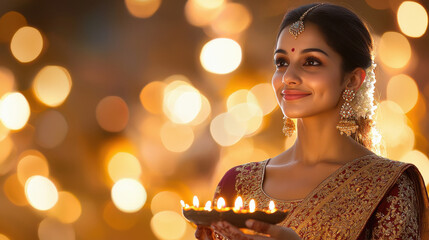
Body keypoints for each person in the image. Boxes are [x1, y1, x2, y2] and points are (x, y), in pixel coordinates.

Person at [195, 2, 429, 240]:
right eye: (281, 62)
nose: (288, 77)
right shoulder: (236, 185)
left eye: (311, 62)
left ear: (352, 80)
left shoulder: (388, 187)